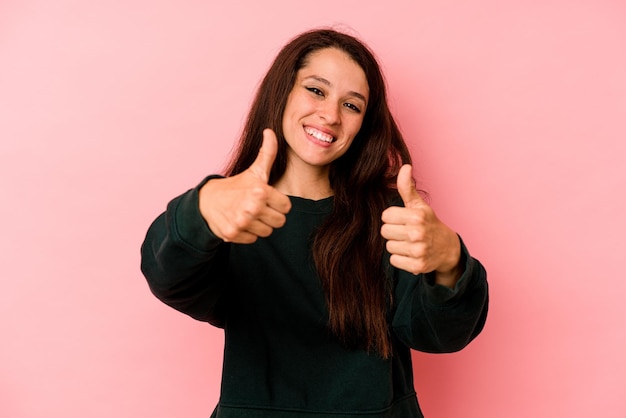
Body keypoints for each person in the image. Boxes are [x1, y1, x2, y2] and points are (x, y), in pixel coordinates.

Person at [141, 28, 488, 418]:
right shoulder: (235, 210)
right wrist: (200, 209)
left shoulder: (390, 218)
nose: (331, 115)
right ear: (282, 92)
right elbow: (166, 275)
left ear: (363, 127)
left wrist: (451, 262)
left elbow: (438, 333)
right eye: (317, 90)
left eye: (352, 106)